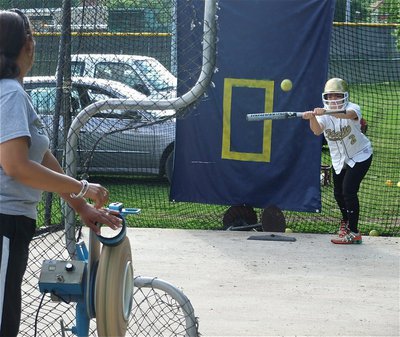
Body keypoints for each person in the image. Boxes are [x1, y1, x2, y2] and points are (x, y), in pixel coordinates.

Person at [0, 9, 122, 337]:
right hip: (4, 222)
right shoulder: (9, 94)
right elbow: (16, 165)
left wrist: (79, 205)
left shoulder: (11, 93)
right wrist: (84, 188)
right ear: (28, 44)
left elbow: (39, 155)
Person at [302, 78, 373, 244]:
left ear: (344, 96)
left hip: (361, 155)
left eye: (337, 95)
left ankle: (354, 233)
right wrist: (312, 117)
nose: (333, 99)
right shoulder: (324, 116)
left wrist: (325, 112)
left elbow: (350, 115)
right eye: (330, 96)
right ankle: (346, 222)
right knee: (338, 193)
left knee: (349, 190)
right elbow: (317, 131)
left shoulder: (352, 108)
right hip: (339, 159)